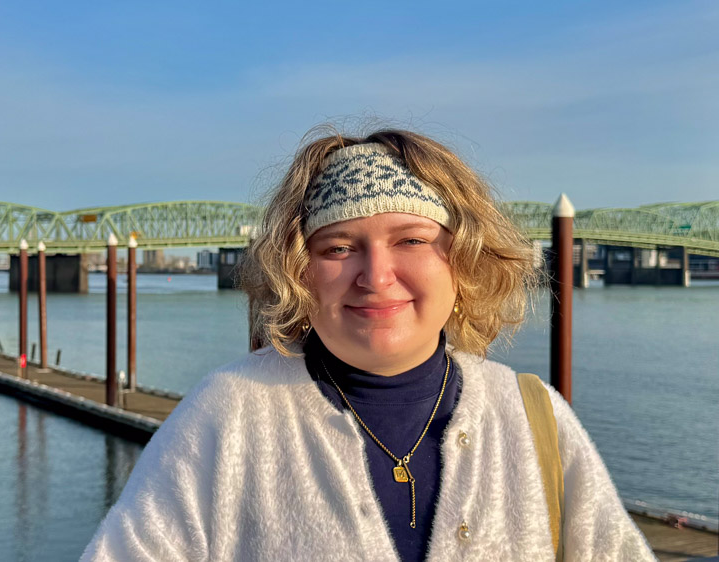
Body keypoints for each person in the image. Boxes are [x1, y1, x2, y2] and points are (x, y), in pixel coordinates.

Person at [81, 127, 654, 561]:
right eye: (338, 248)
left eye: (410, 239)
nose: (376, 276)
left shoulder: (536, 420)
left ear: (464, 260)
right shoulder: (226, 416)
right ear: (299, 272)